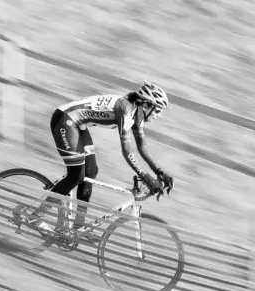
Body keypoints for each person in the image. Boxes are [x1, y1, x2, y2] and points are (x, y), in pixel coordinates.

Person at [37, 81, 174, 231]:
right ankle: (37, 215)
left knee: (91, 171)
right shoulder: (125, 110)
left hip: (79, 125)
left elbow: (141, 146)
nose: (157, 116)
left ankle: (77, 227)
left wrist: (159, 172)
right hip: (65, 120)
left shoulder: (137, 115)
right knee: (76, 175)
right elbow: (127, 152)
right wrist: (146, 176)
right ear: (147, 105)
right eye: (157, 111)